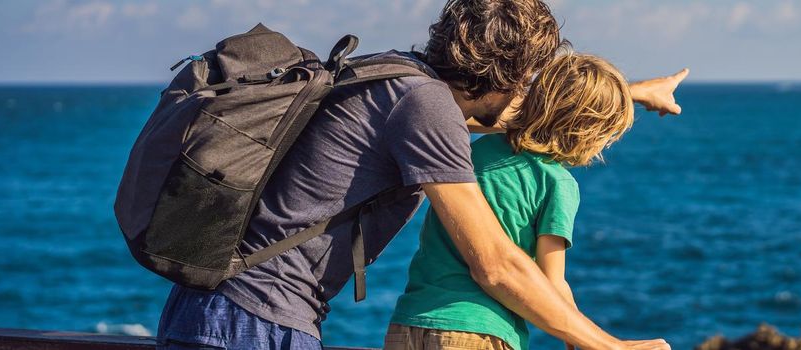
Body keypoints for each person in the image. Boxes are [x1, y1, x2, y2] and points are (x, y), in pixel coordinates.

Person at [155, 1, 686, 349]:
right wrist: (607, 346)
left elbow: (538, 119)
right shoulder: (426, 107)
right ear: (506, 77)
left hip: (206, 310)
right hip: (257, 321)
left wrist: (633, 92)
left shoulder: (398, 76)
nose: (528, 92)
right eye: (525, 79)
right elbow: (496, 265)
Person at [386, 52, 636, 350]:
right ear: (588, 131)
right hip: (482, 332)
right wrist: (580, 337)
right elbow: (552, 283)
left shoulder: (478, 151)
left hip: (410, 321)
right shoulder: (557, 183)